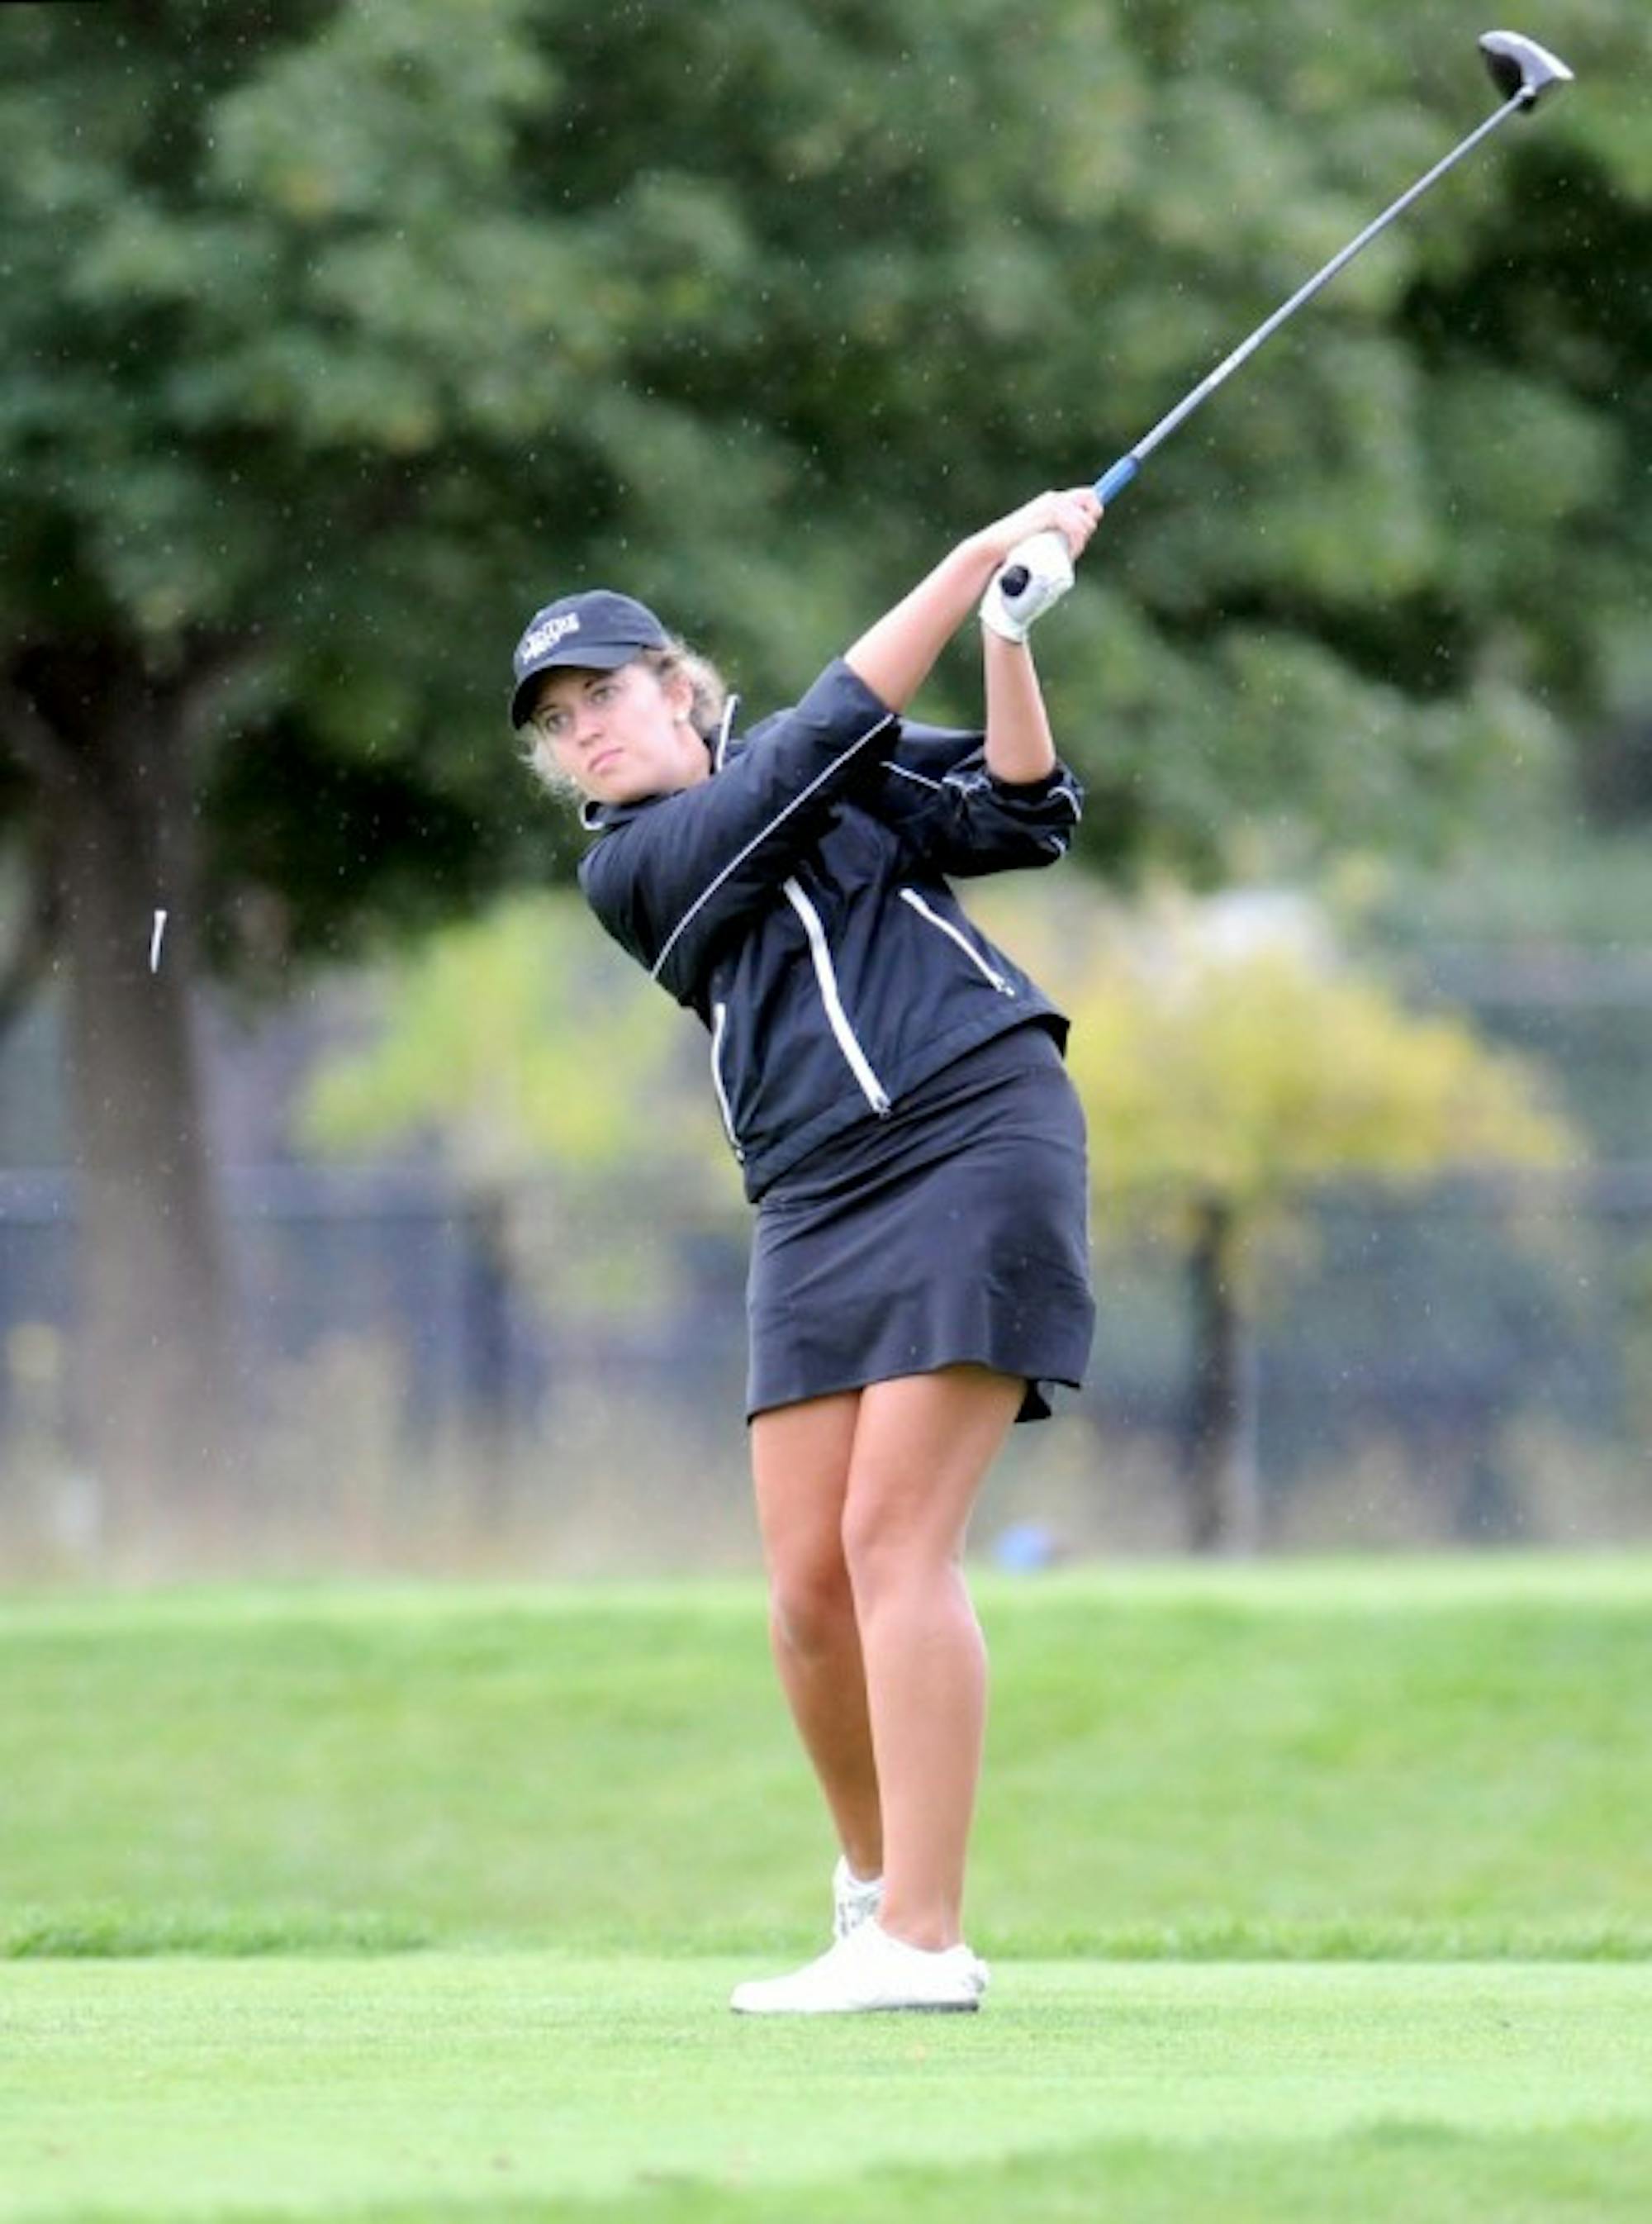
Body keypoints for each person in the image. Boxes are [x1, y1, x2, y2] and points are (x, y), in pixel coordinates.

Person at [510, 487, 1102, 2013]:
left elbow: (1022, 810)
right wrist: (968, 553)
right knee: (804, 1591)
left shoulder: (823, 770)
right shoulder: (636, 867)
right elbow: (820, 736)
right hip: (816, 1200)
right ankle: (871, 1893)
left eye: (609, 693)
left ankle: (925, 1937)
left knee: (895, 1543)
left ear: (678, 686)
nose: (588, 730)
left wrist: (1009, 637)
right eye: (557, 723)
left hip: (974, 1125)